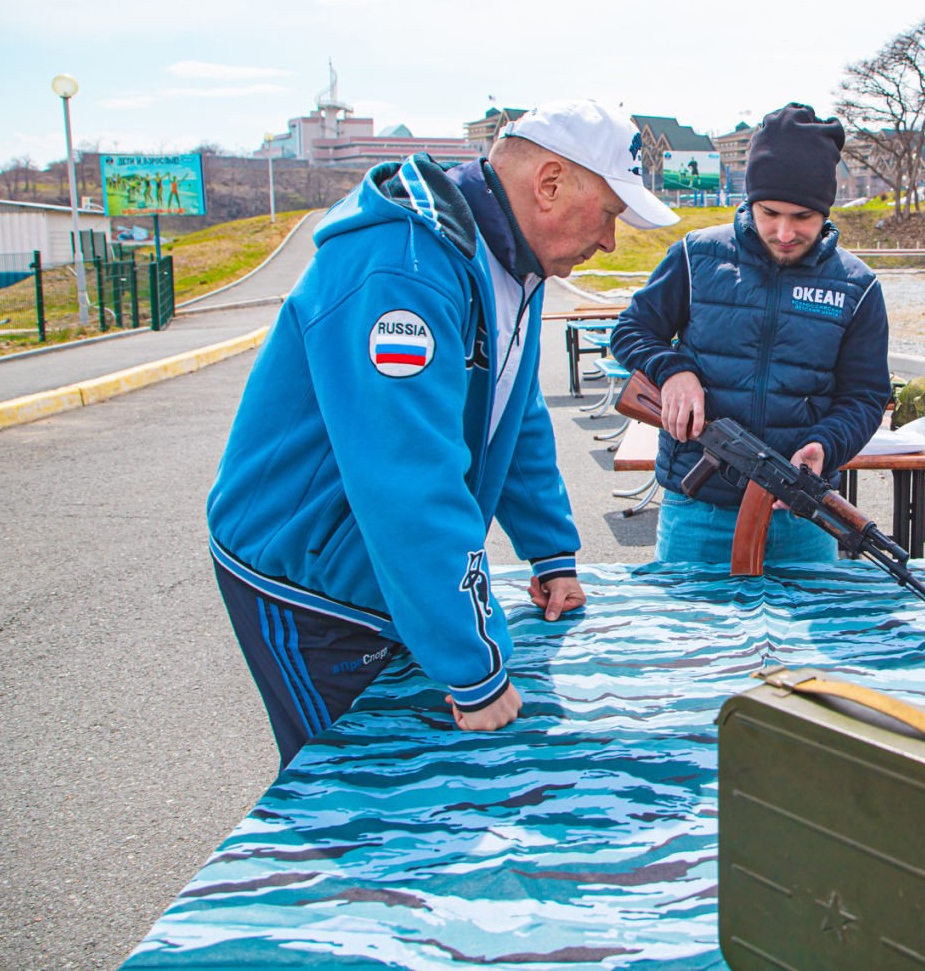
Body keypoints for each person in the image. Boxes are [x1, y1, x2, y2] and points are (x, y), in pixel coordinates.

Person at [207, 100, 678, 768]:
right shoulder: (403, 267)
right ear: (548, 183)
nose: (609, 240)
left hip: (388, 565)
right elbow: (406, 475)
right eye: (608, 213)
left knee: (415, 767)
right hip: (308, 577)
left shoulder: (509, 260)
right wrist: (472, 663)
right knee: (352, 782)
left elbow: (514, 412)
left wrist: (551, 551)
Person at [609, 103, 891, 565]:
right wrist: (673, 370)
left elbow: (866, 395)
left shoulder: (856, 286)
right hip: (696, 514)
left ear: (826, 211)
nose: (784, 232)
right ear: (750, 200)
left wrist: (825, 446)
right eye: (769, 212)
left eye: (803, 217)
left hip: (801, 519)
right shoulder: (696, 256)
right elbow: (631, 330)